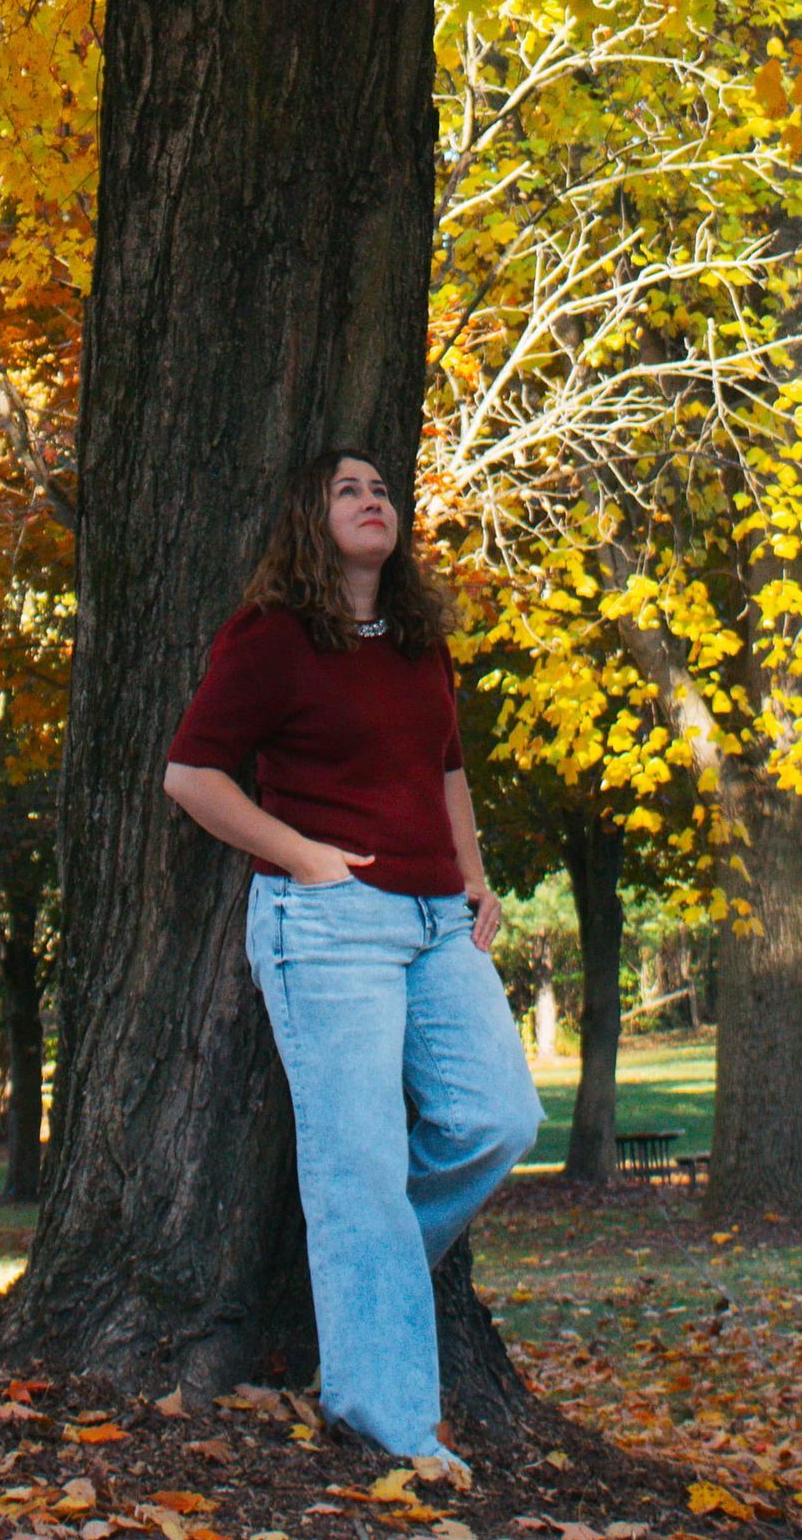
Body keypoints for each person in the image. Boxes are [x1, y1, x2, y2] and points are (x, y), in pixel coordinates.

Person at [165, 449, 543, 1463]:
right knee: (361, 1163)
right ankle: (389, 1425)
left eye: (381, 489)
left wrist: (473, 873)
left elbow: (448, 766)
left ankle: (362, 1279)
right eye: (348, 490)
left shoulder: (420, 641)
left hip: (434, 924)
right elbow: (191, 776)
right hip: (327, 925)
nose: (373, 500)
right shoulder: (270, 640)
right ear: (308, 520)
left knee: (498, 1116)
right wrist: (305, 859)